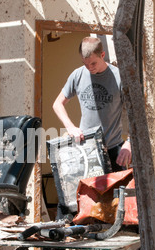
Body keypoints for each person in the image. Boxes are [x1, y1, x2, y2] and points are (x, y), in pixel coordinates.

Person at [52, 36, 132, 171]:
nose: (89, 68)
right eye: (85, 64)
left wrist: (129, 143)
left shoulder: (119, 77)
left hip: (113, 149)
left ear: (102, 55)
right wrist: (70, 127)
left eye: (93, 63)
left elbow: (135, 114)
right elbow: (57, 104)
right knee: (86, 191)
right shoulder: (77, 75)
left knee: (117, 192)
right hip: (86, 149)